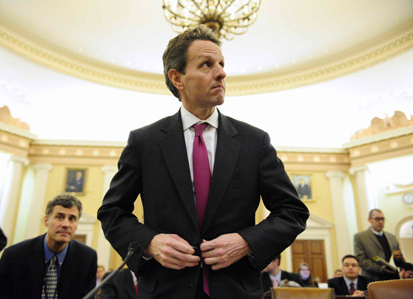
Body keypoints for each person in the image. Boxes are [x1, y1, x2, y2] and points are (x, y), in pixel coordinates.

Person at [97, 25, 309, 299]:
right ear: (178, 78)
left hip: (236, 290)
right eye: (207, 64)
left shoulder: (254, 141)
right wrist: (150, 243)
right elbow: (113, 212)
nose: (221, 72)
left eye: (221, 64)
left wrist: (246, 242)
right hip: (165, 291)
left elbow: (292, 212)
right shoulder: (144, 142)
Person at [0, 194, 97, 298]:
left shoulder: (87, 258)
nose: (66, 224)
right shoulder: (14, 255)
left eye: (72, 219)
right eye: (59, 217)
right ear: (46, 221)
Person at [354, 209, 400, 281]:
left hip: (394, 277)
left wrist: (399, 258)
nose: (381, 222)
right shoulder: (360, 237)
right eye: (377, 219)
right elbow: (361, 259)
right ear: (369, 220)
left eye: (382, 219)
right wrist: (380, 269)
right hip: (373, 279)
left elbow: (398, 255)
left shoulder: (392, 237)